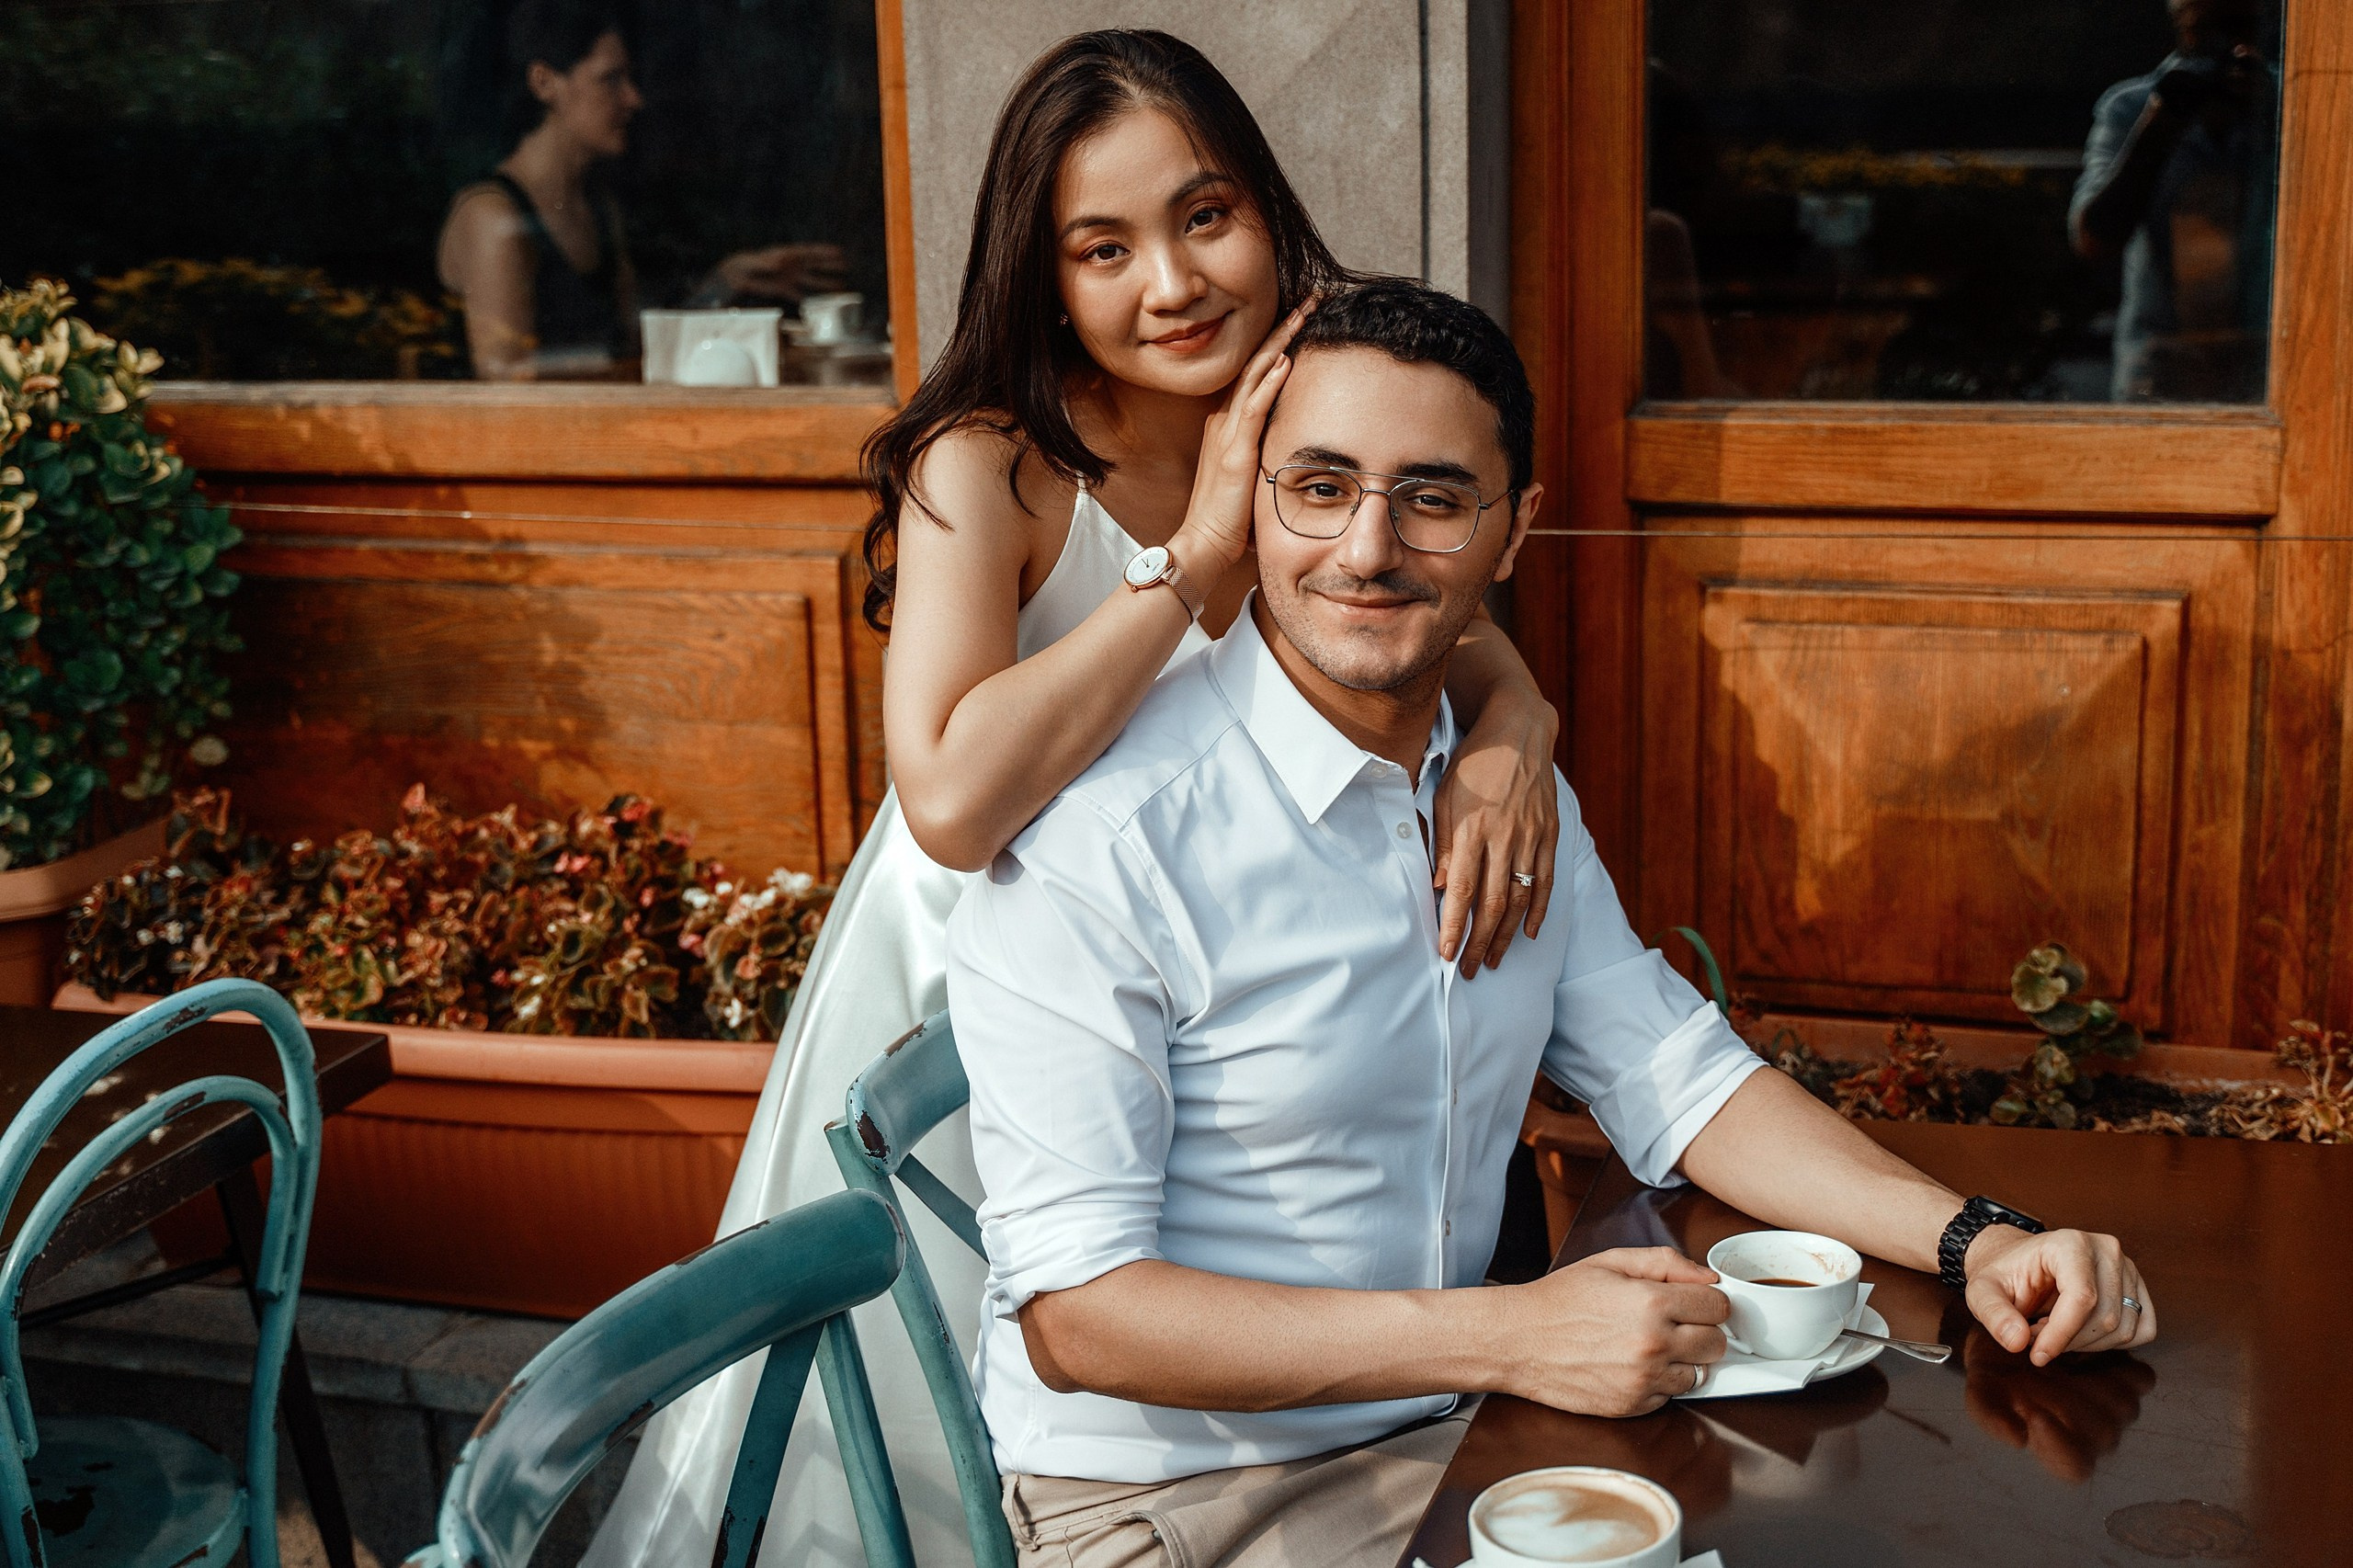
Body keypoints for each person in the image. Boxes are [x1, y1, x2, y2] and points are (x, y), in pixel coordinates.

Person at [949, 278, 2159, 1568]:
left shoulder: (1497, 792)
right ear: (1250, 500)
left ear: (1511, 530)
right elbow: (1080, 1316)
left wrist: (1980, 1239)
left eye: (1431, 497)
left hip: (1456, 1433)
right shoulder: (1111, 836)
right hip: (1177, 1501)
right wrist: (1513, 1332)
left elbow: (1675, 1074)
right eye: (1318, 486)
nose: (1366, 549)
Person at [582, 32, 1565, 1568]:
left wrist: (1517, 719)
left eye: (1205, 215)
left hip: (1213, 964)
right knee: (957, 1392)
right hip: (982, 980)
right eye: (1104, 247)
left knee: (1208, 1347)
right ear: (1045, 277)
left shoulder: (1319, 394)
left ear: (1269, 210)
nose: (1169, 281)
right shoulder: (990, 465)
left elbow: (1456, 617)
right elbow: (956, 801)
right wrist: (1195, 571)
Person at [436, 0, 846, 380]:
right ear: (545, 83)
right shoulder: (494, 217)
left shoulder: (598, 209)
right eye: (610, 79)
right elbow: (506, 374)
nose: (633, 99)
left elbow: (632, 343)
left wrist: (722, 285)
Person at [2069, 0, 2277, 403]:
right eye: (2206, 35)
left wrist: (2276, 117)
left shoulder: (2293, 105)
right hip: (2161, 368)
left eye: (2237, 31)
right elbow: (2094, 239)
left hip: (2270, 363)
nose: (2225, 55)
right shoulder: (2131, 109)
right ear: (2179, 19)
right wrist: (2160, 127)